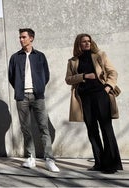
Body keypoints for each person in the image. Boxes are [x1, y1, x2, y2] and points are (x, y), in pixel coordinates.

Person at [65, 33, 123, 174]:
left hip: (101, 95)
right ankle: (99, 162)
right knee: (92, 130)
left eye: (88, 41)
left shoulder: (100, 55)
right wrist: (83, 76)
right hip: (84, 98)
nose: (87, 43)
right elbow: (68, 79)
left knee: (106, 128)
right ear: (78, 44)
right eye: (84, 41)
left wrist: (108, 87)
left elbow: (113, 72)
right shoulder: (73, 61)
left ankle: (111, 164)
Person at [8, 28, 60, 173]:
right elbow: (11, 77)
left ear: (31, 38)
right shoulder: (15, 57)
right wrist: (19, 89)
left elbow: (46, 75)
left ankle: (49, 159)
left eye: (23, 37)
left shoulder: (40, 56)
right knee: (25, 128)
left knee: (43, 127)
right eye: (20, 37)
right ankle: (31, 157)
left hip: (38, 96)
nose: (21, 39)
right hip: (22, 97)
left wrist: (38, 88)